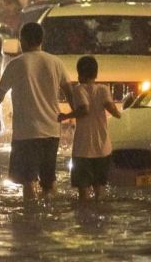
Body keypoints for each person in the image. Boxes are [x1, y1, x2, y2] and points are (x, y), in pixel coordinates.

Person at [0, 22, 73, 201]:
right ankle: (50, 218)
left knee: (28, 183)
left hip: (26, 134)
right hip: (52, 132)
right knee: (49, 183)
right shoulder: (56, 63)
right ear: (42, 40)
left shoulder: (17, 64)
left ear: (23, 40)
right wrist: (77, 115)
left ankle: (30, 220)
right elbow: (71, 95)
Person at [58, 56, 121, 202]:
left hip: (83, 149)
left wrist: (65, 116)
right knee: (100, 190)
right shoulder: (104, 89)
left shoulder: (79, 89)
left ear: (80, 74)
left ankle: (85, 221)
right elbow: (113, 111)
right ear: (96, 74)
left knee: (83, 192)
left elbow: (84, 110)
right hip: (103, 148)